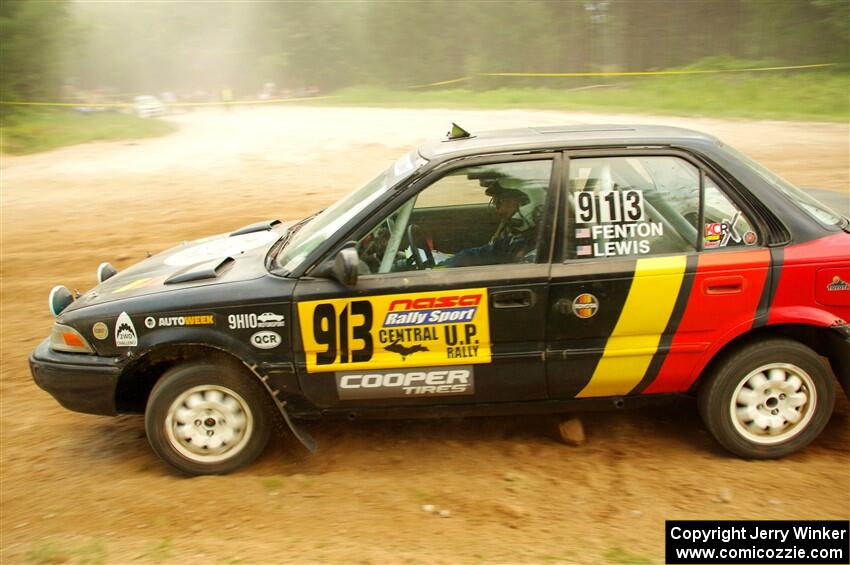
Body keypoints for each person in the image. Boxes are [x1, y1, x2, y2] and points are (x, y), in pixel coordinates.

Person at [440, 181, 541, 268]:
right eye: (495, 203)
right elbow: (484, 253)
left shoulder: (539, 250)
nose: (499, 211)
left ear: (525, 203)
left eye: (501, 202)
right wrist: (444, 267)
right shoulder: (517, 239)